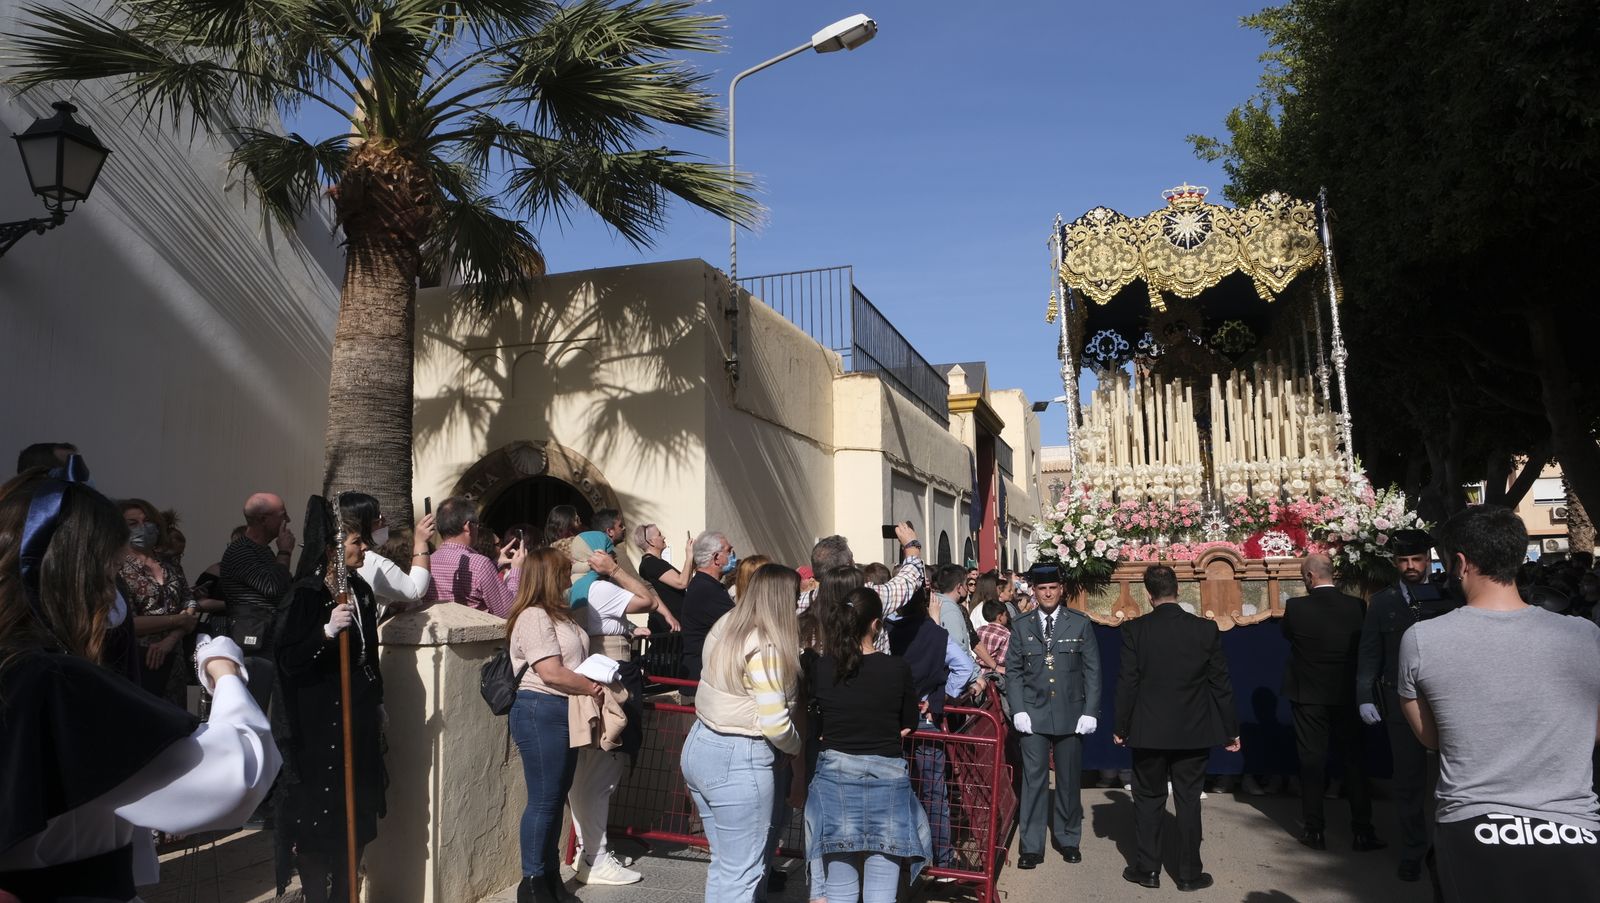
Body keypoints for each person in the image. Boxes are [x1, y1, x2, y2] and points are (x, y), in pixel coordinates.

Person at [0, 463, 278, 899]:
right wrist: (224, 670)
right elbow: (234, 779)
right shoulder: (56, 682)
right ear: (77, 573)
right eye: (109, 572)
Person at [1399, 506, 1600, 902]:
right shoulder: (1585, 635)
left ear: (1460, 563)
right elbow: (1592, 732)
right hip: (1572, 830)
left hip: (1472, 829)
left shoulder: (1423, 639)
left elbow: (1433, 739)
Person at [272, 495, 386, 902]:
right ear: (333, 545)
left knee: (354, 820)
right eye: (357, 540)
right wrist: (322, 633)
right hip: (317, 729)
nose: (366, 548)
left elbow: (368, 654)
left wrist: (377, 700)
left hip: (357, 721)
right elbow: (287, 659)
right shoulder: (306, 595)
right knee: (318, 826)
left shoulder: (360, 591)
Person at [681, 564, 803, 903]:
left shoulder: (728, 624)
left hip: (701, 743)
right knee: (744, 873)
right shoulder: (766, 645)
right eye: (794, 596)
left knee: (726, 866)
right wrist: (794, 746)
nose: (798, 602)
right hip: (740, 757)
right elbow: (775, 723)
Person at [1114, 564, 1239, 892]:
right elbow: (1220, 683)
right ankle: (1188, 873)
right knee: (1188, 800)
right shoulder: (1204, 629)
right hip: (1193, 729)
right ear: (1178, 590)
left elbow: (1128, 682)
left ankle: (1148, 869)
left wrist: (1120, 726)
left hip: (1149, 730)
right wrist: (1231, 730)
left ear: (1148, 594)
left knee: (1148, 799)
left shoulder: (1135, 630)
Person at [804, 588, 931, 902]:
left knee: (840, 882)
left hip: (835, 777)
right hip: (887, 778)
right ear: (876, 624)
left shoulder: (822, 667)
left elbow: (816, 722)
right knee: (882, 887)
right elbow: (909, 723)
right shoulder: (896, 668)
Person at [566, 539, 678, 887]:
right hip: (611, 679)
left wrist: (629, 630)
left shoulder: (576, 589)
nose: (616, 558)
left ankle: (588, 849)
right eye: (611, 553)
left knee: (585, 774)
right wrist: (614, 572)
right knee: (602, 775)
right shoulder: (599, 588)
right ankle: (595, 858)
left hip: (589, 675)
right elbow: (649, 598)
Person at [507, 547, 609, 903]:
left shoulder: (559, 615)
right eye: (565, 573)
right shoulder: (534, 616)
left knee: (554, 796)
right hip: (540, 709)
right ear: (550, 577)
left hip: (562, 709)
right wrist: (590, 686)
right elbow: (549, 671)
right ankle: (532, 882)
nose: (570, 579)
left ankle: (549, 877)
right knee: (544, 800)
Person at [1355, 528, 1454, 880]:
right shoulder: (1383, 602)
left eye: (1416, 559)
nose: (1410, 566)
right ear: (1395, 562)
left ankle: (1452, 849)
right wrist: (1365, 695)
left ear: (1429, 559)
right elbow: (1370, 652)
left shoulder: (1451, 595)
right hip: (1402, 700)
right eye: (1403, 560)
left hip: (1449, 700)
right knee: (1408, 781)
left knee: (1455, 777)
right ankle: (1414, 849)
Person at [1282, 554, 1385, 852]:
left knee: (1311, 762)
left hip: (1308, 695)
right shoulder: (1356, 606)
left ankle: (1314, 830)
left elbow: (1287, 635)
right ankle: (1363, 830)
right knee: (1354, 762)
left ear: (1310, 577)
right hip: (1345, 694)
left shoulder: (1296, 607)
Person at [1004, 563, 1100, 869]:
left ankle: (1068, 838)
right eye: (1042, 589)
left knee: (1069, 780)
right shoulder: (1021, 625)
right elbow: (1014, 672)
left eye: (1053, 588)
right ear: (1034, 591)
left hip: (1071, 713)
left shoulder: (1079, 623)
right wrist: (1017, 709)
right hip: (1033, 713)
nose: (1047, 593)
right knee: (1034, 782)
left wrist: (1090, 711)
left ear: (1061, 590)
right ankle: (1031, 846)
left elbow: (1092, 671)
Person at [219, 491, 297, 712]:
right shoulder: (241, 551)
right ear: (263, 519)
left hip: (269, 641)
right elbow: (274, 588)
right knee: (252, 710)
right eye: (283, 515)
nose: (288, 521)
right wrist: (285, 551)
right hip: (253, 647)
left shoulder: (262, 551)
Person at [119, 499, 200, 701]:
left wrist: (171, 639)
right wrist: (177, 620)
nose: (142, 527)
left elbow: (189, 603)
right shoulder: (117, 568)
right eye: (133, 524)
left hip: (174, 658)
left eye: (146, 521)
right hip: (140, 661)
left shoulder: (169, 564)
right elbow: (126, 621)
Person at [799, 528, 925, 653]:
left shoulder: (799, 603)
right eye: (852, 559)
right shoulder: (869, 598)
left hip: (820, 672)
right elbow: (906, 583)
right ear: (847, 567)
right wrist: (911, 546)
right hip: (868, 670)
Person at [421, 496, 526, 617]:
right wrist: (517, 569)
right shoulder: (480, 564)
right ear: (468, 526)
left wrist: (495, 564)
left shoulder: (427, 561)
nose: (477, 529)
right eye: (477, 525)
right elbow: (508, 611)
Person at [341, 492, 437, 613]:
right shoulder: (370, 561)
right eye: (378, 518)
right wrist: (420, 542)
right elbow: (415, 590)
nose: (384, 520)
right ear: (363, 525)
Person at [679, 531, 736, 687]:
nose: (733, 555)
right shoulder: (706, 589)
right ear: (716, 558)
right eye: (729, 551)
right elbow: (739, 622)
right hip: (703, 678)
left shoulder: (710, 586)